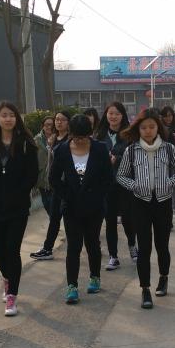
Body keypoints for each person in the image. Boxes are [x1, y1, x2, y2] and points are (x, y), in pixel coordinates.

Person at [117, 109, 175, 308]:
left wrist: (170, 183)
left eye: (152, 127)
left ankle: (163, 278)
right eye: (144, 127)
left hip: (163, 202)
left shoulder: (168, 149)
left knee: (162, 245)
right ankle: (145, 289)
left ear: (158, 128)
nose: (148, 131)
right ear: (138, 129)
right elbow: (121, 175)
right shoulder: (132, 151)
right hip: (140, 203)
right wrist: (134, 185)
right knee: (144, 247)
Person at [0, 101, 39, 316]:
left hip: (17, 207)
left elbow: (32, 174)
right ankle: (7, 277)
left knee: (12, 249)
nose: (8, 119)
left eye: (12, 115)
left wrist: (19, 193)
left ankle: (12, 294)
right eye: (4, 115)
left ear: (16, 118)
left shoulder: (26, 144)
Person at [50, 115, 113, 303]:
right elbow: (54, 178)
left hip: (94, 207)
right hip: (71, 207)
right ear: (71, 134)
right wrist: (66, 195)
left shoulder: (100, 149)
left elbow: (108, 178)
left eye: (83, 137)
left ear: (90, 134)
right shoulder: (62, 150)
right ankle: (72, 286)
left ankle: (95, 277)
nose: (79, 141)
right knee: (73, 246)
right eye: (76, 137)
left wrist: (97, 195)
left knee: (92, 243)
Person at [96, 101, 137, 270]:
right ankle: (113, 256)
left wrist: (117, 159)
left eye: (117, 114)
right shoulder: (99, 135)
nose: (113, 116)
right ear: (106, 115)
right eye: (110, 113)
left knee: (128, 218)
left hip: (125, 183)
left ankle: (132, 246)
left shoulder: (130, 134)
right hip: (106, 185)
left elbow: (135, 157)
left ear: (122, 116)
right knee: (110, 220)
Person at [30, 110, 71, 261]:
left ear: (68, 122)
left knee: (70, 218)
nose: (59, 122)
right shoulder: (52, 139)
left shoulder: (71, 139)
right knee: (54, 218)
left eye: (63, 119)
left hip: (68, 185)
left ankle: (78, 246)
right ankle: (47, 249)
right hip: (55, 184)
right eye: (57, 119)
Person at [34, 116, 56, 221]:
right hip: (42, 177)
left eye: (51, 125)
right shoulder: (36, 140)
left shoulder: (59, 139)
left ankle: (54, 222)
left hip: (56, 176)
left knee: (54, 203)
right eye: (46, 125)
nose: (49, 127)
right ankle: (54, 221)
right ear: (42, 126)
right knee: (46, 203)